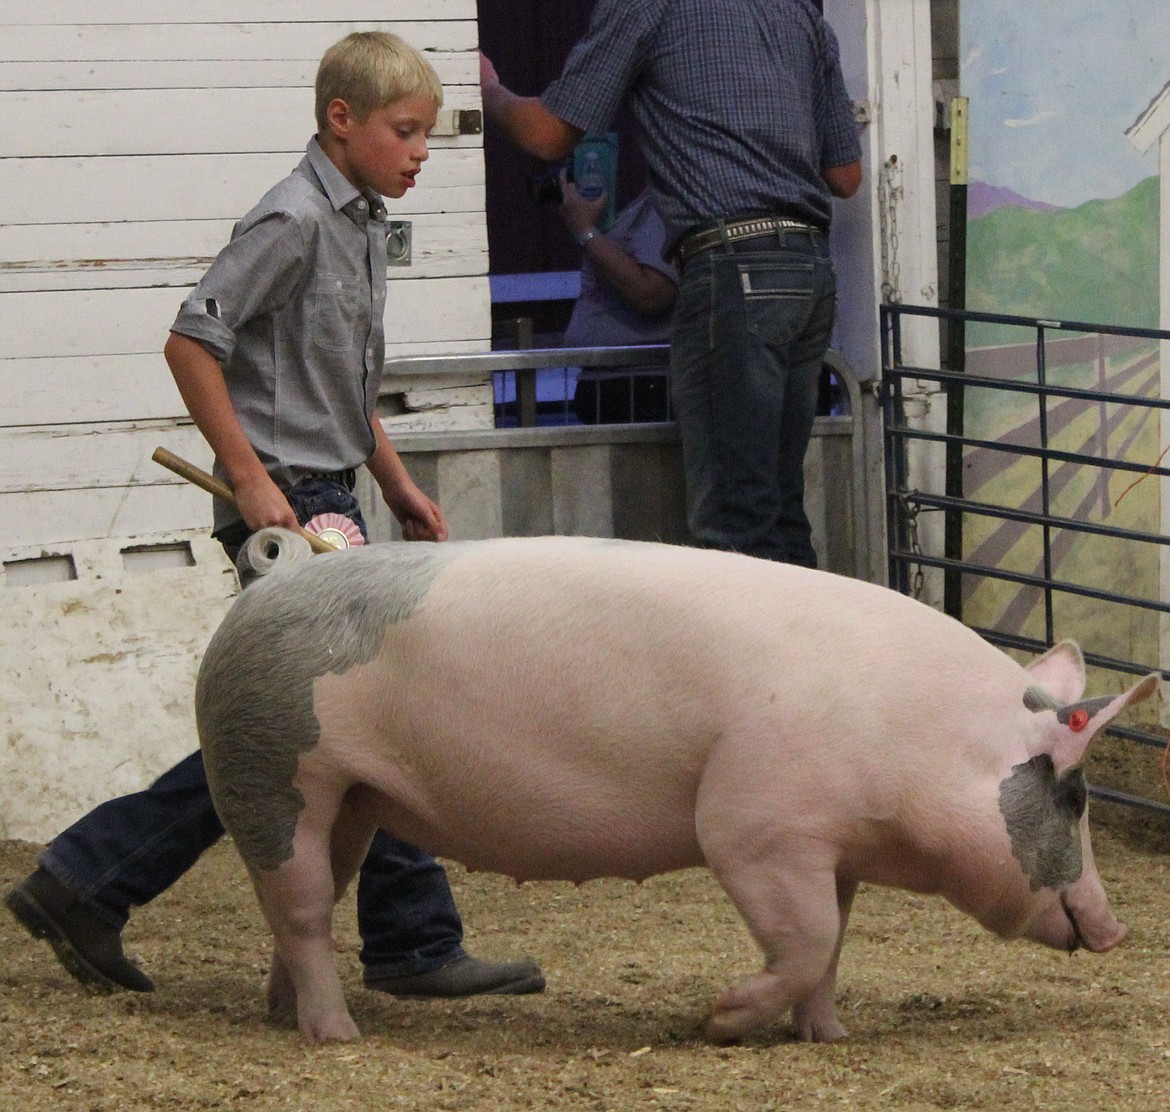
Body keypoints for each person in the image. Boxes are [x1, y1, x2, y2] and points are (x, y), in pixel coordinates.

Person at [5, 31, 544, 1004]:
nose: (422, 151)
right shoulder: (292, 220)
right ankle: (405, 936)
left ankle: (90, 879)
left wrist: (396, 477)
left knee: (322, 723)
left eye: (425, 134)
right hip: (289, 504)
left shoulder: (358, 220)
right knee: (338, 720)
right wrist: (252, 479)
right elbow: (190, 341)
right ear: (342, 122)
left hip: (330, 488)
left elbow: (337, 379)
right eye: (405, 131)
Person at [481, 0, 862, 566]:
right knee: (779, 511)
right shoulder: (799, 11)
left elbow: (547, 135)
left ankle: (749, 655)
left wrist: (487, 88)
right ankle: (803, 649)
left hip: (731, 268)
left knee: (735, 524)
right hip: (808, 269)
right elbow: (845, 175)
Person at [557, 176, 678, 424]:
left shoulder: (667, 204)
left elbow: (652, 293)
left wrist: (585, 231)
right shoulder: (641, 205)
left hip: (642, 385)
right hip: (611, 381)